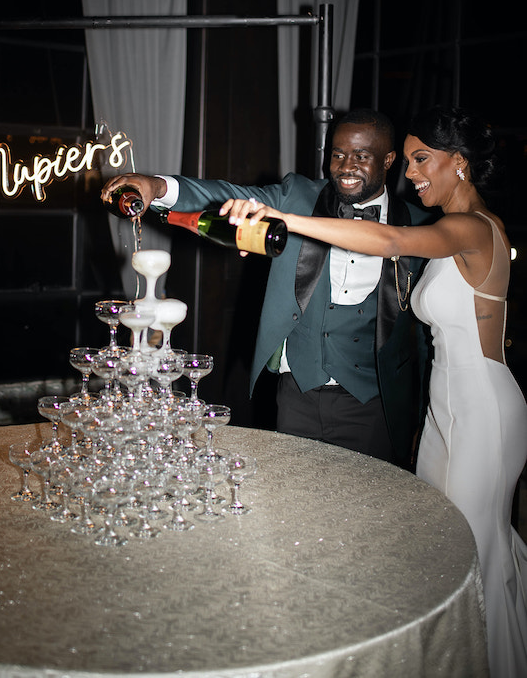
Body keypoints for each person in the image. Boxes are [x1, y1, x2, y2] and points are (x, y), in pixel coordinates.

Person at [222, 105, 527, 678]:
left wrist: (285, 220)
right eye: (409, 161)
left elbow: (385, 239)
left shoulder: (472, 228)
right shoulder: (445, 231)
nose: (410, 173)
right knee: (439, 547)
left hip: (483, 406)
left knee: (474, 552)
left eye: (420, 160)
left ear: (458, 164)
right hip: (445, 406)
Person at [102, 109, 432, 467]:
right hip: (296, 397)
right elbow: (225, 195)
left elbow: (428, 337)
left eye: (361, 156)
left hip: (373, 405)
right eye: (338, 155)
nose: (346, 166)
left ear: (388, 160)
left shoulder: (419, 226)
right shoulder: (298, 197)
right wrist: (159, 187)